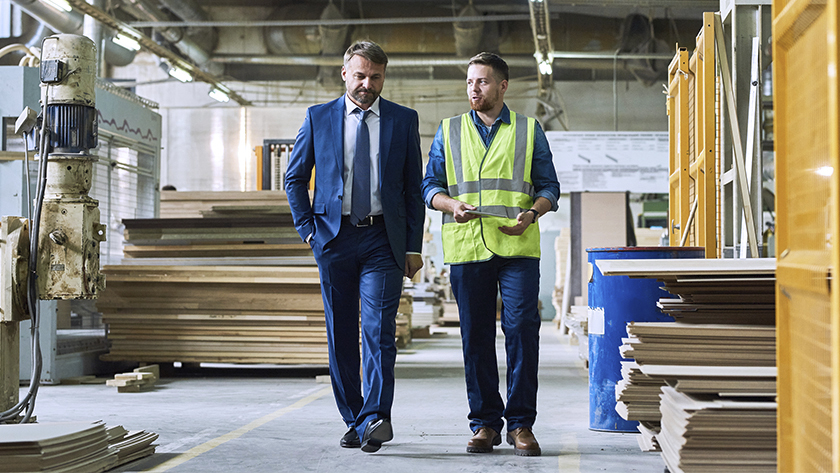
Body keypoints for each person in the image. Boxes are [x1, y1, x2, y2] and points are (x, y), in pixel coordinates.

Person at [285, 41, 424, 453]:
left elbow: (413, 190)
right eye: (360, 76)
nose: (367, 84)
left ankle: (376, 417)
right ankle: (354, 417)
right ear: (344, 73)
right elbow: (295, 179)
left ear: (384, 76)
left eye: (376, 77)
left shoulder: (403, 120)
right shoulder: (318, 118)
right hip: (334, 237)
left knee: (379, 331)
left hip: (384, 239)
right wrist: (309, 231)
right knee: (340, 332)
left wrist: (412, 246)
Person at [421, 52, 560, 456]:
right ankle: (484, 423)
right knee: (476, 336)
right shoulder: (448, 131)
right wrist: (451, 206)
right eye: (469, 82)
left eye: (482, 82)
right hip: (467, 246)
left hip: (517, 244)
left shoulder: (529, 130)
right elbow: (430, 186)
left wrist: (533, 213)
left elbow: (549, 187)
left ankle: (520, 425)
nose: (473, 89)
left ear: (502, 86)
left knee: (520, 330)